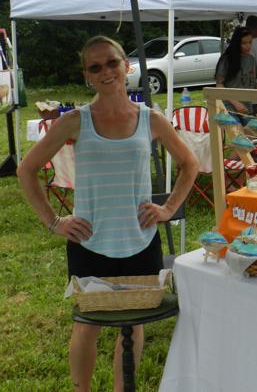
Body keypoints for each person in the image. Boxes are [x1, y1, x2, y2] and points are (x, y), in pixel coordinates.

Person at [16, 36, 198, 392]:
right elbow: (27, 170)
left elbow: (189, 164)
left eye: (112, 63)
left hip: (141, 238)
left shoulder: (151, 119)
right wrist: (54, 221)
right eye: (95, 67)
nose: (106, 71)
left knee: (134, 325)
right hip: (90, 240)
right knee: (87, 325)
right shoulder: (75, 121)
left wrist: (169, 209)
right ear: (87, 76)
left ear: (126, 66)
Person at [215, 26, 257, 125]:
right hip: (230, 108)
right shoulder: (226, 60)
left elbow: (253, 82)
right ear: (236, 43)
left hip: (247, 107)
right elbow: (219, 85)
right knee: (238, 137)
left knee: (255, 137)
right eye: (244, 43)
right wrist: (236, 103)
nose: (248, 46)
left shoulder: (251, 59)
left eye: (250, 42)